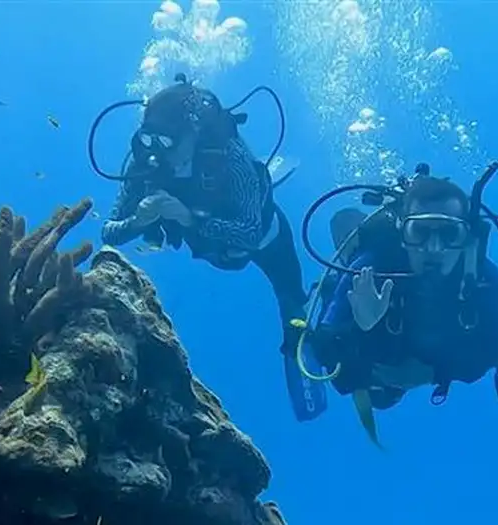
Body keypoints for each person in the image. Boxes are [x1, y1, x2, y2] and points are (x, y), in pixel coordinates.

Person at [93, 75, 330, 421]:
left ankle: (300, 344)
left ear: (192, 134)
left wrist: (189, 219)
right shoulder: (144, 160)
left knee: (291, 301)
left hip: (264, 239)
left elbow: (250, 232)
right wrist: (139, 223)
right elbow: (109, 233)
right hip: (207, 248)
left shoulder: (230, 155)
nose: (159, 152)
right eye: (150, 140)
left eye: (169, 142)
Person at [311, 174, 498, 415]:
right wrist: (361, 326)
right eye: (419, 232)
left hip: (428, 351)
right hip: (382, 352)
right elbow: (323, 346)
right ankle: (342, 260)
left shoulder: (482, 278)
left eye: (450, 234)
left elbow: (496, 347)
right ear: (402, 233)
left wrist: (437, 373)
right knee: (366, 390)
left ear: (467, 237)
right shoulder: (372, 266)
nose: (434, 248)